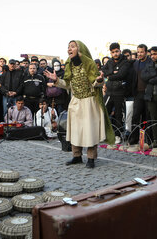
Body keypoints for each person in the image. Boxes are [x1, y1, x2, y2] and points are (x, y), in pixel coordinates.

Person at [44, 40, 115, 168]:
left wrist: (99, 80)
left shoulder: (89, 64)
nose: (69, 49)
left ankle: (91, 158)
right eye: (68, 47)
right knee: (75, 130)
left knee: (89, 130)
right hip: (75, 101)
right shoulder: (69, 65)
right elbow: (67, 85)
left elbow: (97, 83)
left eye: (72, 47)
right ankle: (76, 156)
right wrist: (57, 80)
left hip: (89, 102)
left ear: (80, 49)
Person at [102, 42, 131, 144]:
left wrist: (110, 76)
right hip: (109, 92)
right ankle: (104, 134)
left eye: (117, 51)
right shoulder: (109, 62)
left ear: (119, 50)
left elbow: (122, 74)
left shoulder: (125, 61)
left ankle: (118, 135)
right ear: (110, 52)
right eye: (113, 52)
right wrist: (112, 73)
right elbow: (103, 70)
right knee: (105, 112)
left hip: (119, 92)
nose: (115, 54)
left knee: (118, 115)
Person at [129, 44, 152, 145]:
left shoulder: (150, 62)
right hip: (138, 93)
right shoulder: (135, 63)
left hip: (147, 93)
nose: (139, 54)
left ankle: (146, 138)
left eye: (141, 52)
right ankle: (133, 138)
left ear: (146, 52)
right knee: (135, 116)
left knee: (146, 117)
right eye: (138, 52)